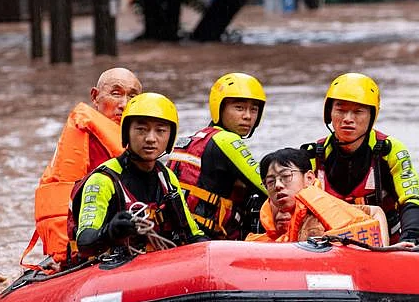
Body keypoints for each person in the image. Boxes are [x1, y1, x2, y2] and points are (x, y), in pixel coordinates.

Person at [21, 68, 142, 269]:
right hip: (84, 244)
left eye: (132, 97)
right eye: (116, 93)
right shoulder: (85, 134)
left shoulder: (142, 141)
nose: (124, 104)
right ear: (95, 97)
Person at [68, 93, 207, 263]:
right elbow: (85, 242)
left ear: (170, 137)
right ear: (126, 133)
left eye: (160, 131)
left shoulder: (167, 177)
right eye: (141, 129)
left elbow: (192, 234)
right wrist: (111, 231)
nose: (150, 139)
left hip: (157, 265)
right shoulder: (103, 180)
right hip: (112, 267)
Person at [302, 72, 419, 243]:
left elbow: (413, 199)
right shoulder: (312, 155)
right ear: (329, 113)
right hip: (327, 245)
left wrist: (410, 239)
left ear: (371, 116)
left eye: (358, 112)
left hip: (386, 243)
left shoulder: (390, 151)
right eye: (340, 110)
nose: (348, 119)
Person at [168, 72, 268, 240]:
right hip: (207, 240)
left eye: (254, 109)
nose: (248, 116)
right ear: (219, 108)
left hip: (178, 235)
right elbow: (267, 185)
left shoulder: (195, 139)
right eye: (239, 108)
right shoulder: (226, 140)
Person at [246, 148, 384, 245]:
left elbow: (376, 212)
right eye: (270, 182)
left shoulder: (328, 209)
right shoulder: (271, 220)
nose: (277, 185)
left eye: (286, 176)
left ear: (309, 178)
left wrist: (383, 251)